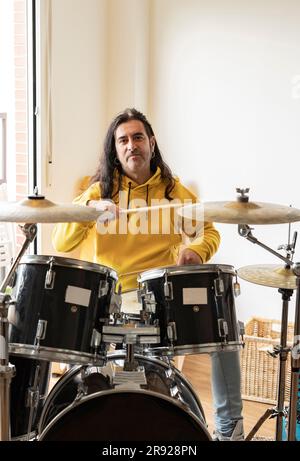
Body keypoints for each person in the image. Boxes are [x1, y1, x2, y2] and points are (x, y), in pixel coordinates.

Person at [52, 108, 244, 441]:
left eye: (138, 137)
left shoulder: (174, 194)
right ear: (115, 149)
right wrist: (88, 212)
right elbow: (62, 241)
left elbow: (208, 231)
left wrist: (196, 251)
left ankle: (230, 431)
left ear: (151, 143)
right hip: (108, 301)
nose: (131, 146)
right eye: (123, 140)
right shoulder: (98, 193)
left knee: (223, 327)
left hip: (159, 301)